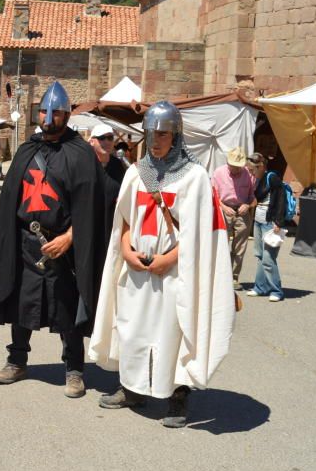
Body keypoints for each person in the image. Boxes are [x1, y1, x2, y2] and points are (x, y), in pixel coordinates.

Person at [89, 101, 235, 428]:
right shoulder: (135, 173)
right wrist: (126, 251)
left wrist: (168, 259)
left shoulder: (195, 177)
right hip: (137, 267)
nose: (155, 140)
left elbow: (200, 235)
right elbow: (123, 223)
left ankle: (177, 398)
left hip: (175, 271)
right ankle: (132, 388)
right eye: (151, 133)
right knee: (132, 328)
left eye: (163, 134)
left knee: (173, 331)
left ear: (176, 135)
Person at [0, 81, 107, 398]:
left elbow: (93, 206)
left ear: (67, 114)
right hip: (25, 243)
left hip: (63, 246)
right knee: (20, 301)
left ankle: (74, 370)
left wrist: (70, 237)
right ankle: (17, 360)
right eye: (45, 112)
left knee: (67, 308)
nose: (49, 117)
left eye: (56, 112)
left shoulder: (80, 154)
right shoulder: (27, 150)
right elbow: (11, 200)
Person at [211, 146, 255, 289]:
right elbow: (213, 195)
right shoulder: (218, 173)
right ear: (228, 163)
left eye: (238, 166)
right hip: (224, 209)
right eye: (233, 166)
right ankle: (219, 276)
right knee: (221, 245)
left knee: (240, 247)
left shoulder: (247, 174)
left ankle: (234, 277)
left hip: (241, 211)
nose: (236, 169)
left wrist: (247, 205)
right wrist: (223, 207)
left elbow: (252, 197)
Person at [247, 152, 286, 302]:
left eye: (252, 170)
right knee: (260, 256)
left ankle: (277, 290)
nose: (251, 172)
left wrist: (279, 221)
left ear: (261, 166)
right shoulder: (259, 179)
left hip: (270, 223)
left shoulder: (272, 178)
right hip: (258, 221)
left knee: (269, 258)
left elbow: (281, 199)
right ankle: (260, 287)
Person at [89, 123, 127, 231]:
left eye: (110, 138)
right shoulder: (83, 165)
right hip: (90, 225)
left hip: (112, 226)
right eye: (101, 138)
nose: (107, 142)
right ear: (91, 141)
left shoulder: (118, 165)